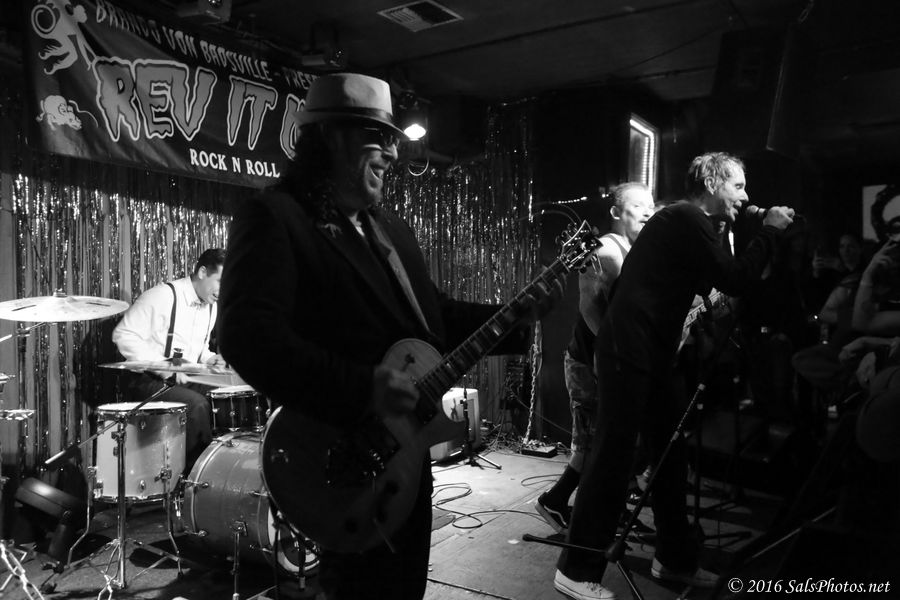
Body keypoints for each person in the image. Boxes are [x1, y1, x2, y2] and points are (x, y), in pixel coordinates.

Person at [215, 73, 554, 600]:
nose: (393, 153)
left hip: (405, 457)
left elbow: (434, 320)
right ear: (330, 137)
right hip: (341, 458)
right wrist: (361, 387)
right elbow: (245, 335)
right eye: (378, 137)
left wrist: (516, 316)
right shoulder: (276, 216)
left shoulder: (390, 229)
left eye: (394, 138)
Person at [554, 152, 795, 600]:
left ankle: (674, 559)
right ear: (711, 182)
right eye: (738, 186)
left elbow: (722, 285)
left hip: (656, 356)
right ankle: (576, 568)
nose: (745, 196)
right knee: (612, 458)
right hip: (629, 350)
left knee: (669, 458)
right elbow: (734, 277)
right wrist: (770, 231)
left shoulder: (695, 227)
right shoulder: (683, 216)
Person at [536, 182, 655, 533]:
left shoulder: (636, 250)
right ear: (616, 212)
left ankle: (614, 508)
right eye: (638, 205)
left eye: (650, 204)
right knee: (590, 446)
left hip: (611, 361)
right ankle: (554, 501)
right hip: (590, 362)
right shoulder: (605, 249)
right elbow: (590, 309)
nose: (648, 211)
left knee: (618, 442)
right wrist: (614, 355)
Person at [111, 248, 226, 472]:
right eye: (220, 281)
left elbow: (199, 348)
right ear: (202, 272)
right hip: (148, 381)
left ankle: (225, 470)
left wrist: (210, 358)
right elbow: (124, 335)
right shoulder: (162, 296)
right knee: (197, 406)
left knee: (226, 396)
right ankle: (194, 479)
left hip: (185, 379)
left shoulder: (211, 305)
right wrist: (164, 367)